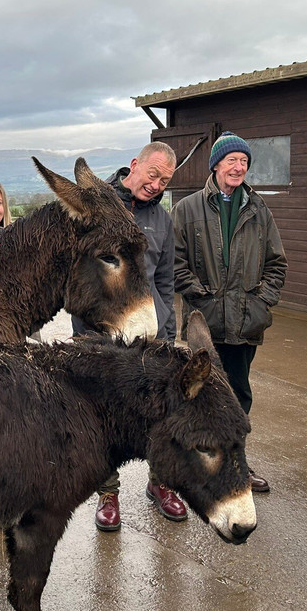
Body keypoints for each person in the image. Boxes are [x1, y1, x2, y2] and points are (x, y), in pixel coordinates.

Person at [76, 141, 184, 532]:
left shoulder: (163, 220)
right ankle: (108, 494)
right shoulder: (96, 207)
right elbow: (79, 272)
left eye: (165, 181)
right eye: (153, 174)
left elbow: (167, 278)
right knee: (105, 414)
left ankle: (161, 483)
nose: (156, 185)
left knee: (159, 412)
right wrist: (85, 331)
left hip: (150, 333)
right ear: (135, 165)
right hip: (103, 331)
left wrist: (167, 328)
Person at [172, 131, 287, 493]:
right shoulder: (187, 209)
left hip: (243, 324)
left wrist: (260, 302)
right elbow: (174, 264)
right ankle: (198, 465)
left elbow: (276, 264)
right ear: (216, 165)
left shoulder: (258, 210)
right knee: (198, 394)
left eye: (244, 161)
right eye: (231, 160)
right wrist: (203, 298)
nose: (238, 167)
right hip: (203, 325)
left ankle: (236, 466)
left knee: (238, 396)